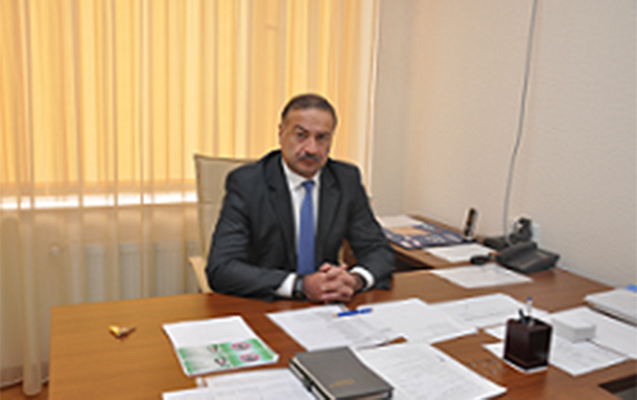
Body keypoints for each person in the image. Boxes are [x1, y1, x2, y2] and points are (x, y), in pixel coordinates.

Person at [206, 93, 394, 302]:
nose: (311, 149)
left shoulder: (345, 180)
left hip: (328, 304)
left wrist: (354, 280)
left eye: (322, 138)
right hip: (269, 302)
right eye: (301, 135)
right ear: (281, 134)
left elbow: (378, 250)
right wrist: (300, 285)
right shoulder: (247, 183)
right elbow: (222, 268)